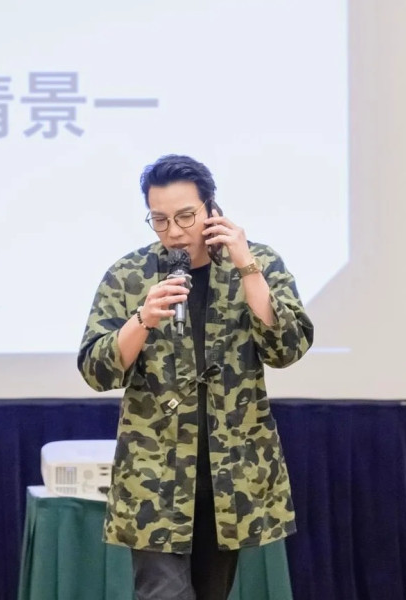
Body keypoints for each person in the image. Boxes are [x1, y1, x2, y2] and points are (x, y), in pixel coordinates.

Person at [77, 155, 313, 600]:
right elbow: (95, 370)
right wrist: (142, 319)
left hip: (232, 475)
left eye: (186, 216)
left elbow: (287, 348)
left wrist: (247, 267)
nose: (174, 231)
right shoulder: (129, 275)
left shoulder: (259, 263)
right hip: (155, 474)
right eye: (160, 220)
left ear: (212, 207)